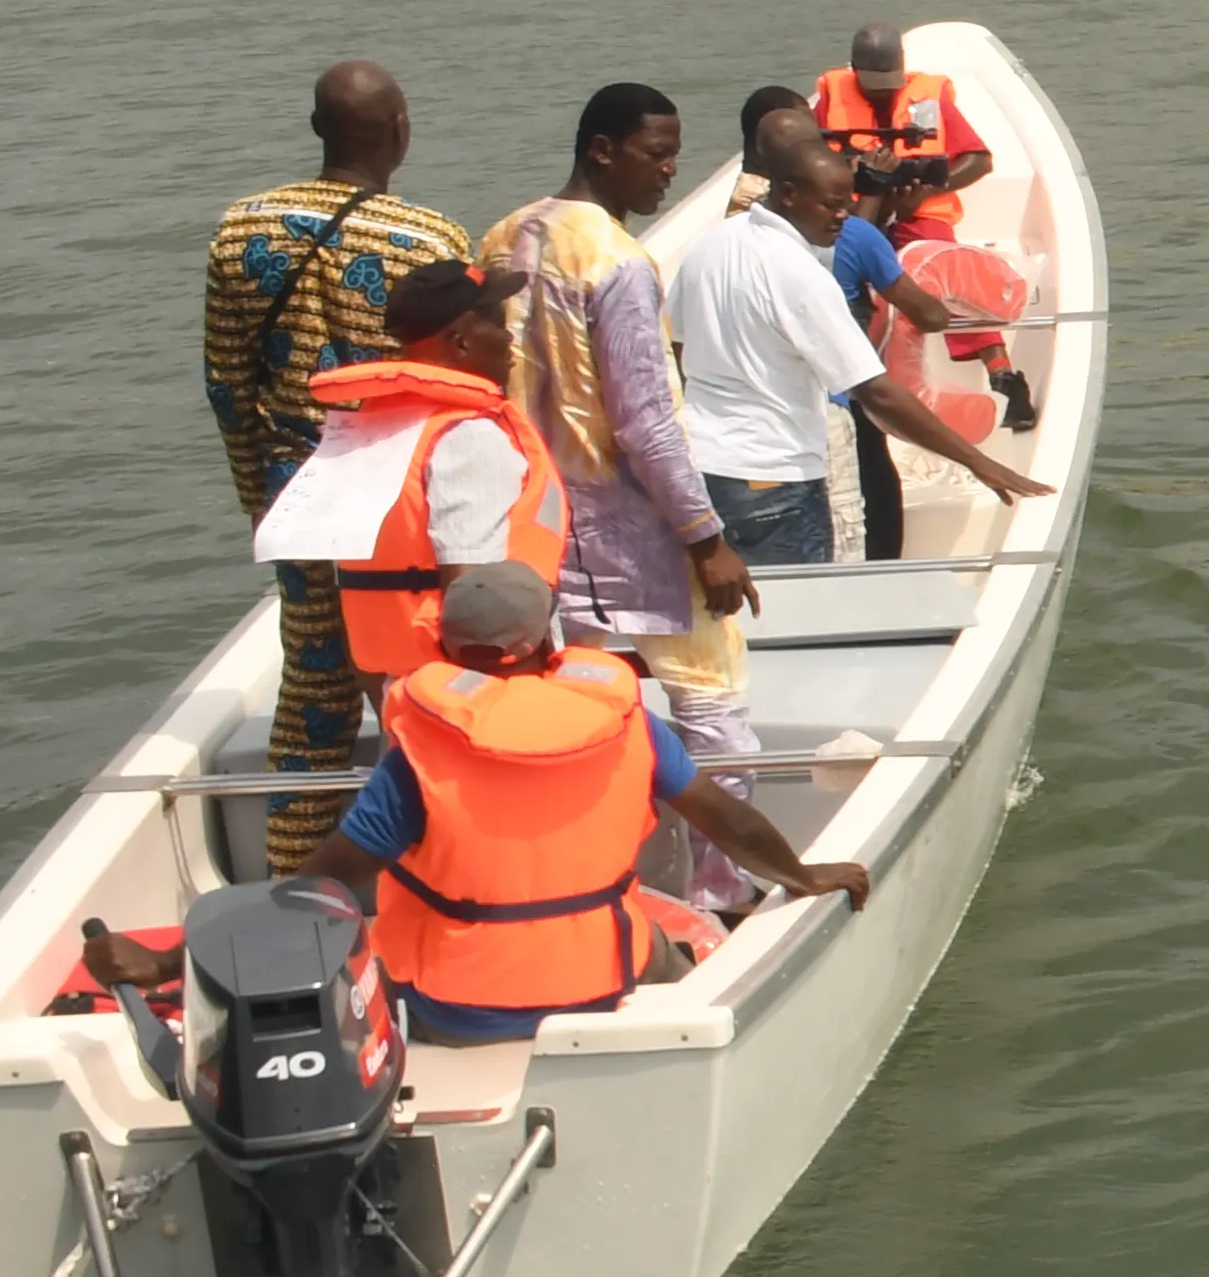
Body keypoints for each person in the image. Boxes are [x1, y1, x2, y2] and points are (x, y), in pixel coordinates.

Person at [85, 562, 870, 1045]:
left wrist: (163, 961)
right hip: (605, 985)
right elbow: (727, 821)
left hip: (455, 1011)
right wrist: (803, 876)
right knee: (680, 943)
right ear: (544, 643)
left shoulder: (417, 761)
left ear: (449, 653)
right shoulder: (626, 722)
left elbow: (317, 891)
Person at [487, 87, 769, 900]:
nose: (670, 171)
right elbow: (646, 423)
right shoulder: (618, 262)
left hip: (538, 534)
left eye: (676, 154)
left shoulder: (507, 236)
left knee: (583, 717)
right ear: (603, 151)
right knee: (715, 714)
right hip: (630, 534)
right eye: (657, 153)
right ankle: (720, 893)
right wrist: (705, 538)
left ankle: (601, 885)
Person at [205, 63, 479, 867]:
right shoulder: (428, 240)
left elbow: (226, 382)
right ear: (400, 128)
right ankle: (444, 857)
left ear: (316, 126)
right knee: (425, 673)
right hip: (400, 492)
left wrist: (260, 496)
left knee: (316, 688)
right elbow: (454, 378)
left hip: (301, 489)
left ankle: (293, 873)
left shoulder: (241, 230)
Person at [675, 114, 1046, 565]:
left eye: (845, 204)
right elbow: (876, 391)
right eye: (831, 205)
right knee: (803, 618)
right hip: (777, 482)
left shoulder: (710, 244)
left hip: (706, 471)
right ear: (788, 194)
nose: (843, 216)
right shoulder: (802, 275)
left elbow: (678, 343)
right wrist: (978, 462)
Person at [251, 255, 568, 699]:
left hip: (401, 688)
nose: (510, 339)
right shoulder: (470, 436)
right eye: (497, 322)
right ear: (460, 341)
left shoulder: (377, 429)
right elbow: (470, 591)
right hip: (477, 694)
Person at [817, 25, 1030, 427]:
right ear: (855, 71)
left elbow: (979, 159)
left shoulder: (929, 97)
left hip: (921, 210)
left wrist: (932, 186)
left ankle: (1002, 374)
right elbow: (810, 157)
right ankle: (860, 380)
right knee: (841, 275)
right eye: (873, 84)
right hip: (858, 211)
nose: (882, 92)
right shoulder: (831, 99)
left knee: (941, 268)